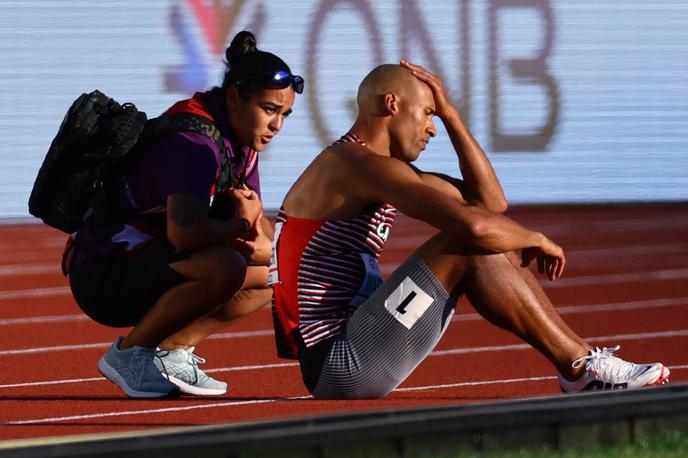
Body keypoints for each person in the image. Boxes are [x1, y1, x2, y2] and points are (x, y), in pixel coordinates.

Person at [269, 61, 669, 399]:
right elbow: (475, 225)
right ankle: (579, 366)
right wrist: (537, 238)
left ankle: (579, 365)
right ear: (391, 103)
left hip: (359, 342)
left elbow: (490, 203)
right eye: (427, 114)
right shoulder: (356, 165)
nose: (433, 128)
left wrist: (451, 114)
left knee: (485, 238)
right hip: (341, 358)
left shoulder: (381, 169)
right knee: (466, 239)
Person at [63, 31, 304, 398]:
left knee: (269, 279)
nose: (277, 126)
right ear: (235, 98)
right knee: (225, 266)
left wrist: (253, 233)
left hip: (145, 261)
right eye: (270, 110)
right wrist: (244, 225)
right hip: (102, 274)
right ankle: (128, 356)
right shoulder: (195, 144)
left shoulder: (241, 142)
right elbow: (185, 234)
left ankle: (172, 352)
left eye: (285, 114)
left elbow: (264, 251)